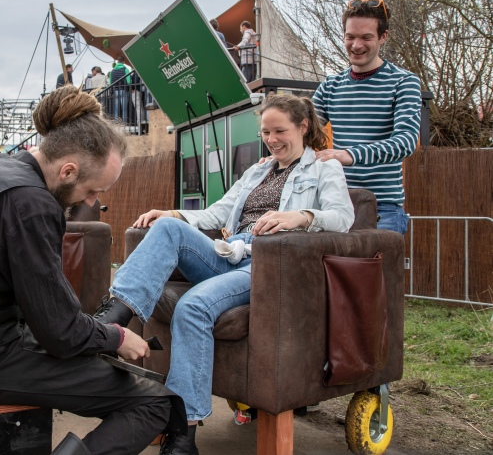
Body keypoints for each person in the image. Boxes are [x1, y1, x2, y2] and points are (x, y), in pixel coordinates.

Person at [0, 85, 186, 455]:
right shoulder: (32, 203)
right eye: (92, 191)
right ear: (68, 170)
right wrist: (118, 338)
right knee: (156, 402)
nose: (92, 202)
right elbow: (60, 332)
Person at [93, 93, 355, 453]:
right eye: (265, 132)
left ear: (303, 126)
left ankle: (184, 433)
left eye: (280, 131)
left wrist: (302, 217)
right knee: (167, 230)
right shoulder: (257, 170)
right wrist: (171, 213)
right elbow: (217, 214)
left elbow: (343, 218)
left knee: (193, 306)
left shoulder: (325, 167)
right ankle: (114, 319)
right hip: (228, 253)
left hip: (268, 265)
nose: (272, 139)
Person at [312, 0, 421, 234]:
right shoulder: (331, 85)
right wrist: (278, 149)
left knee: (376, 272)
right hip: (336, 203)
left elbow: (405, 142)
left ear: (383, 37)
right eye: (350, 36)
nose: (356, 45)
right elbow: (302, 130)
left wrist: (349, 154)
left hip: (381, 209)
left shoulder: (404, 82)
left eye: (366, 37)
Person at [110, 56, 132, 124]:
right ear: (123, 62)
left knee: (116, 108)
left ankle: (116, 122)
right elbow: (128, 82)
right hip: (124, 90)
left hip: (115, 90)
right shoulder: (126, 69)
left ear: (117, 62)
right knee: (124, 108)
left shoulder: (112, 71)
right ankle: (124, 123)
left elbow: (111, 82)